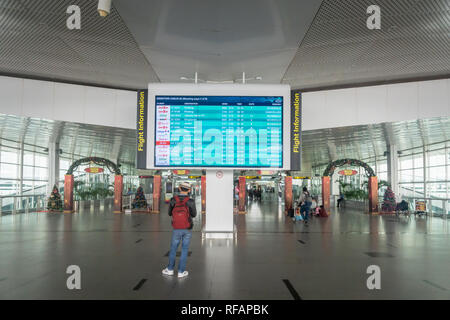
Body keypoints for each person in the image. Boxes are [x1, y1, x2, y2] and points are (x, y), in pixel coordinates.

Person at [162, 182, 197, 278]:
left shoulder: (173, 200)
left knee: (173, 249)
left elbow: (169, 213)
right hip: (187, 228)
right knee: (184, 250)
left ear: (179, 188)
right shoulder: (191, 201)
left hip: (176, 228)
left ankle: (170, 270)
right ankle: (181, 272)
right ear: (189, 190)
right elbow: (194, 215)